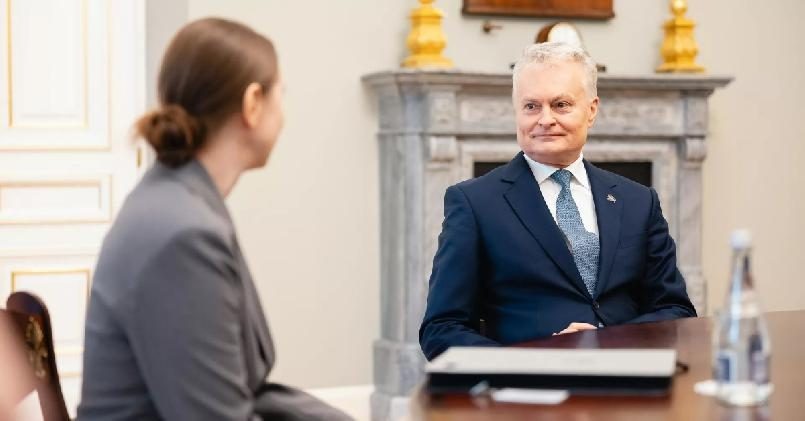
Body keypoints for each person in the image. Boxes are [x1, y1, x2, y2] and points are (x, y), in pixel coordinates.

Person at [78, 18, 351, 421]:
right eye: (282, 94)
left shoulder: (176, 201)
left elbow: (247, 392)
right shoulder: (182, 235)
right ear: (253, 103)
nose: (284, 114)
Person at [419, 42, 697, 361]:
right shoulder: (474, 203)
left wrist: (608, 341)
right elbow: (441, 329)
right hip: (528, 387)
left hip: (629, 377)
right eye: (531, 106)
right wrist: (534, 362)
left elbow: (676, 310)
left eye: (561, 104)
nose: (545, 119)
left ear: (591, 110)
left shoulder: (639, 201)